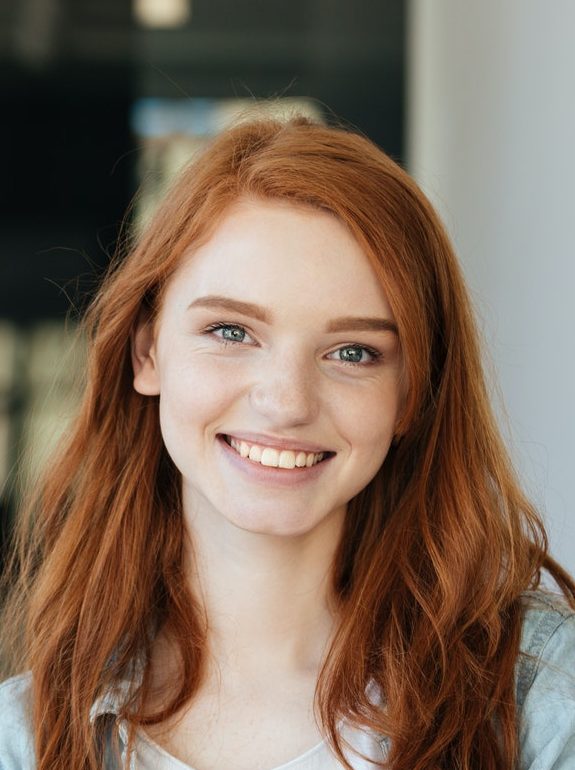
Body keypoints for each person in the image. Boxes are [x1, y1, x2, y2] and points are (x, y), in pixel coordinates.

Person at [1, 116, 574, 770]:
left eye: (352, 351)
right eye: (230, 332)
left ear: (413, 393)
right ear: (146, 351)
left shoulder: (540, 702)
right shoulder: (25, 741)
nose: (286, 402)